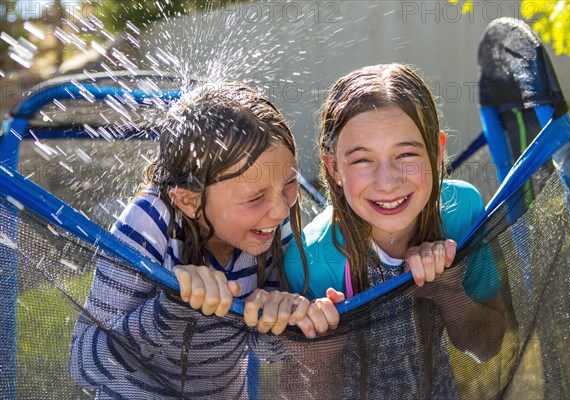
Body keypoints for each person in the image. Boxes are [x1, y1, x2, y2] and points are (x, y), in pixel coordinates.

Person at [70, 83, 339, 399]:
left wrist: (286, 317)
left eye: (289, 184)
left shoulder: (270, 231)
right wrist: (172, 307)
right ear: (189, 201)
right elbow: (84, 364)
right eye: (255, 197)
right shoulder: (150, 222)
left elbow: (265, 349)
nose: (281, 209)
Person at [284, 63, 507, 398]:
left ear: (437, 152)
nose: (387, 182)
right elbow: (298, 391)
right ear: (333, 167)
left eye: (405, 154)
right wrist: (319, 357)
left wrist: (448, 292)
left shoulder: (461, 213)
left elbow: (488, 346)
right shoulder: (310, 258)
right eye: (362, 160)